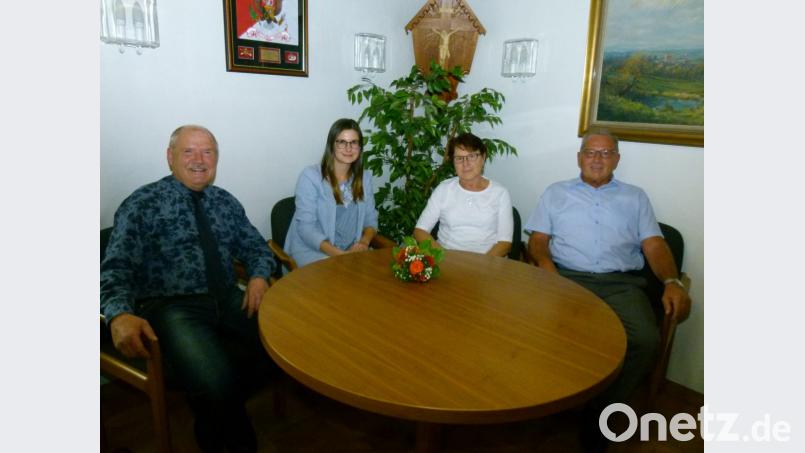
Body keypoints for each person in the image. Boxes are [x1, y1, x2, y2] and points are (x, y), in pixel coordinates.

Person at [101, 125, 277, 453]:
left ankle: (214, 417)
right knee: (215, 383)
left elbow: (257, 248)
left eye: (207, 152)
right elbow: (115, 266)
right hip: (172, 307)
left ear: (216, 159)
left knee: (286, 341)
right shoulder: (142, 203)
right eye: (188, 151)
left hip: (228, 297)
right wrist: (119, 313)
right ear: (170, 157)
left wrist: (258, 276)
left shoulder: (225, 201)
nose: (199, 159)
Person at [524, 128, 691, 451]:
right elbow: (538, 240)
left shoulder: (636, 197)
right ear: (579, 157)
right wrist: (548, 271)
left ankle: (600, 407)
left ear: (616, 159)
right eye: (590, 152)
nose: (597, 159)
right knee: (541, 332)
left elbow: (655, 245)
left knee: (645, 339)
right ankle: (550, 398)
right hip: (567, 278)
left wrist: (672, 281)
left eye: (605, 153)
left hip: (621, 284)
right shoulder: (556, 192)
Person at [284, 118, 379, 267]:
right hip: (313, 252)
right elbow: (306, 229)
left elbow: (371, 220)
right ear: (331, 146)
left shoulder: (364, 178)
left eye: (354, 142)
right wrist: (341, 256)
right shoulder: (311, 176)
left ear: (360, 148)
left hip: (352, 252)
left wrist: (363, 243)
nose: (348, 148)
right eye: (342, 142)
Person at [414, 132, 513, 256]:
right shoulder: (444, 189)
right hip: (447, 259)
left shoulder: (500, 193)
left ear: (483, 157)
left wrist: (482, 265)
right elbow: (420, 231)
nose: (465, 163)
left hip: (486, 263)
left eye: (471, 156)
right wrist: (443, 256)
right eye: (459, 158)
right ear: (453, 162)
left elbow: (505, 243)